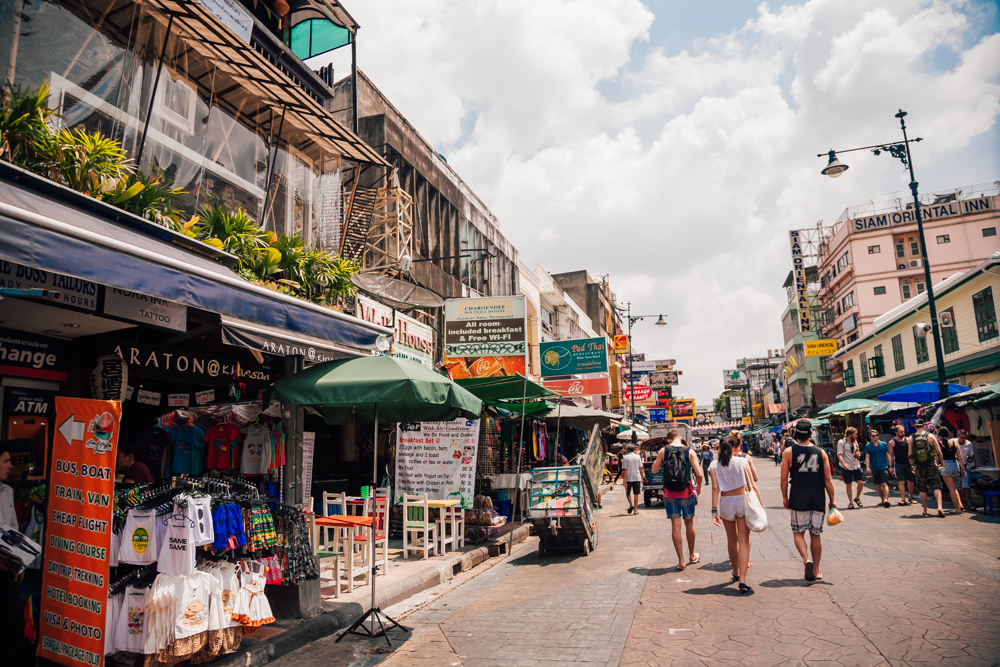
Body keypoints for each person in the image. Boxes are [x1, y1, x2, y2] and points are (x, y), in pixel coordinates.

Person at [781, 419, 837, 582]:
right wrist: (832, 500)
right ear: (811, 433)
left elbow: (784, 479)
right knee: (816, 535)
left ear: (796, 433)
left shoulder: (789, 452)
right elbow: (828, 479)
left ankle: (807, 560)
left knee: (798, 532)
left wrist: (785, 497)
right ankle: (817, 570)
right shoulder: (821, 452)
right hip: (817, 497)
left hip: (798, 496)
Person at [710, 436, 758, 594]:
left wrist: (714, 510)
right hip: (741, 501)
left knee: (731, 540)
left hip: (725, 503)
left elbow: (715, 488)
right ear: (734, 448)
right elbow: (751, 485)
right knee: (743, 540)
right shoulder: (742, 462)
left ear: (719, 448)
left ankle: (736, 571)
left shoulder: (714, 465)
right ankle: (743, 580)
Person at [651, 429, 703, 570]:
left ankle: (681, 560)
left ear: (668, 440)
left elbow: (654, 470)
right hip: (686, 493)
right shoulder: (690, 451)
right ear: (680, 438)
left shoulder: (663, 451)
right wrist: (697, 488)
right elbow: (699, 474)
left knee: (675, 527)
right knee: (689, 525)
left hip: (669, 495)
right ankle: (692, 555)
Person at [0, 448, 31, 667]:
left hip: (8, 569)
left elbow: (11, 529)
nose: (11, 466)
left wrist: (20, 563)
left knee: (11, 622)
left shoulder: (8, 491)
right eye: (6, 461)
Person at [909, 420, 945, 517]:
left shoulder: (911, 438)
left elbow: (910, 454)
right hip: (931, 464)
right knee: (936, 486)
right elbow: (939, 451)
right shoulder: (931, 436)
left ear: (915, 426)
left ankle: (925, 510)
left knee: (922, 488)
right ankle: (940, 507)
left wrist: (911, 465)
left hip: (919, 465)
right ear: (924, 426)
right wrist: (942, 462)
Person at [937, 426, 965, 514]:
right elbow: (960, 457)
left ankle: (957, 508)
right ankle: (960, 504)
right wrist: (962, 468)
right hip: (955, 465)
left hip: (946, 465)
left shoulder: (940, 444)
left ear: (939, 435)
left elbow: (938, 456)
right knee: (954, 487)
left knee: (951, 489)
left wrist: (938, 464)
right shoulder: (954, 443)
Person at [836, 427, 864, 509]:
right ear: (850, 434)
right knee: (849, 484)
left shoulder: (855, 442)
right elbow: (839, 454)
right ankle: (850, 502)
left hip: (856, 464)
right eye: (855, 434)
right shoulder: (842, 442)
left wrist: (858, 454)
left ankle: (857, 497)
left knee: (861, 482)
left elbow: (857, 451)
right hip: (846, 465)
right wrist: (843, 463)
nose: (856, 436)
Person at [864, 428, 892, 508]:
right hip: (875, 467)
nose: (876, 437)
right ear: (870, 437)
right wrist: (867, 467)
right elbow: (867, 457)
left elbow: (888, 455)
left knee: (884, 483)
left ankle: (886, 500)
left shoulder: (883, 444)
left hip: (883, 466)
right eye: (873, 436)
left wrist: (890, 465)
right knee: (878, 485)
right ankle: (882, 500)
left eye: (877, 435)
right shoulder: (868, 446)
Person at [890, 425, 916, 505]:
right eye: (901, 432)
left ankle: (911, 497)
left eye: (903, 432)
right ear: (896, 432)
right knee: (901, 481)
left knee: (910, 482)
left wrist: (912, 464)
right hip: (898, 464)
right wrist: (891, 466)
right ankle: (903, 499)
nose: (902, 433)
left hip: (908, 464)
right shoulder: (892, 442)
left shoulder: (908, 440)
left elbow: (911, 452)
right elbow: (891, 455)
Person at [954, 430, 975, 511]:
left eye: (964, 438)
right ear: (958, 436)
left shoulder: (969, 444)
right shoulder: (953, 442)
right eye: (961, 438)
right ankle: (961, 503)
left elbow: (972, 455)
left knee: (966, 484)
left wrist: (970, 458)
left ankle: (969, 502)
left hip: (966, 466)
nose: (963, 439)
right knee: (958, 485)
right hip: (957, 466)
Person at [621, 443, 643, 515]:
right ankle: (635, 510)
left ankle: (631, 504)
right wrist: (642, 477)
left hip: (628, 478)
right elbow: (640, 468)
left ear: (628, 450)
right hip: (637, 477)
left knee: (628, 493)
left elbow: (625, 469)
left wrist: (624, 479)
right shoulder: (638, 457)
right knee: (636, 494)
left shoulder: (625, 457)